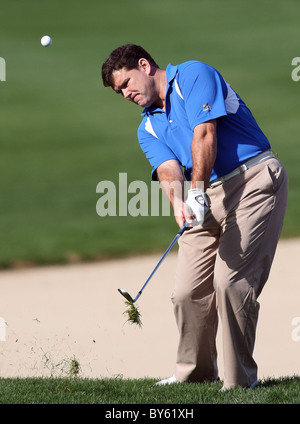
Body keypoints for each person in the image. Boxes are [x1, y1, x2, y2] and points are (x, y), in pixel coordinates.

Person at [101, 44, 288, 390]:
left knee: (230, 283)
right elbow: (168, 170)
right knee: (187, 293)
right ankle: (196, 375)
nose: (125, 93)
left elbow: (205, 133)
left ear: (144, 65)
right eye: (119, 91)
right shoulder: (148, 128)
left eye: (126, 82)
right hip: (204, 197)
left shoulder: (192, 75)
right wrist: (179, 204)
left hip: (253, 181)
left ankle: (239, 383)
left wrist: (197, 191)